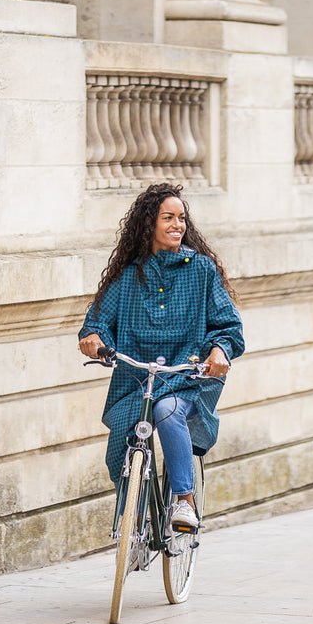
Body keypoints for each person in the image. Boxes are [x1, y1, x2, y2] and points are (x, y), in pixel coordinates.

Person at [78, 182, 244, 530]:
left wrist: (219, 350)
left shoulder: (201, 270)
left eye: (181, 218)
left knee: (167, 411)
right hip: (136, 380)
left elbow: (228, 326)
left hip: (186, 377)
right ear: (149, 223)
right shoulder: (128, 275)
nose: (177, 225)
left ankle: (184, 500)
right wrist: (93, 338)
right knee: (123, 435)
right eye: (168, 217)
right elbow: (98, 322)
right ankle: (133, 518)